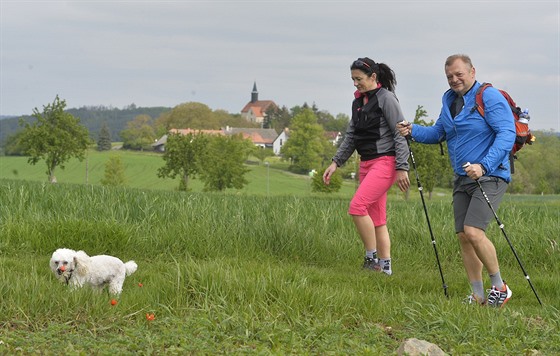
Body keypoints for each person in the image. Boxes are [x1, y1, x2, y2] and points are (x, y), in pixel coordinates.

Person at [397, 54, 516, 307]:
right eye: (449, 76)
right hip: (462, 177)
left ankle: (500, 288)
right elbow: (439, 132)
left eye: (459, 74)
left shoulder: (489, 97)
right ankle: (478, 295)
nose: (454, 79)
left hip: (491, 175)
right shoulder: (450, 101)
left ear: (472, 72)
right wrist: (413, 130)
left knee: (474, 231)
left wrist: (484, 165)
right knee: (463, 235)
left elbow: (507, 133)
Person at [323, 57, 410, 275]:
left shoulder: (386, 99)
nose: (355, 83)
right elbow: (351, 136)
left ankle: (372, 259)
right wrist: (336, 162)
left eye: (358, 79)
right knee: (378, 219)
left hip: (385, 162)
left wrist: (402, 167)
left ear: (373, 77)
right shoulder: (357, 103)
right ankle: (386, 268)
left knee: (357, 207)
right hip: (366, 163)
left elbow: (400, 134)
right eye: (352, 79)